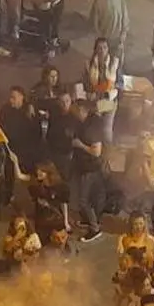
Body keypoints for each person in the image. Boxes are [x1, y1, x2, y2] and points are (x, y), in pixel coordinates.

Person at [71, 100, 106, 243]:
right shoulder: (83, 122)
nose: (73, 113)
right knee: (88, 198)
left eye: (75, 110)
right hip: (84, 167)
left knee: (84, 201)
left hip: (90, 168)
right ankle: (88, 220)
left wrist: (80, 145)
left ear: (82, 110)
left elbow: (96, 152)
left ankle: (94, 229)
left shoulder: (92, 126)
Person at [84, 38, 120, 146]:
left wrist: (110, 93)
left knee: (106, 130)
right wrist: (91, 94)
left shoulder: (114, 63)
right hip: (94, 100)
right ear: (95, 49)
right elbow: (86, 82)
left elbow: (120, 82)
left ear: (108, 49)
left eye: (105, 47)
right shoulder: (89, 64)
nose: (102, 50)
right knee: (91, 129)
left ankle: (108, 150)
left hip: (109, 101)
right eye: (99, 48)